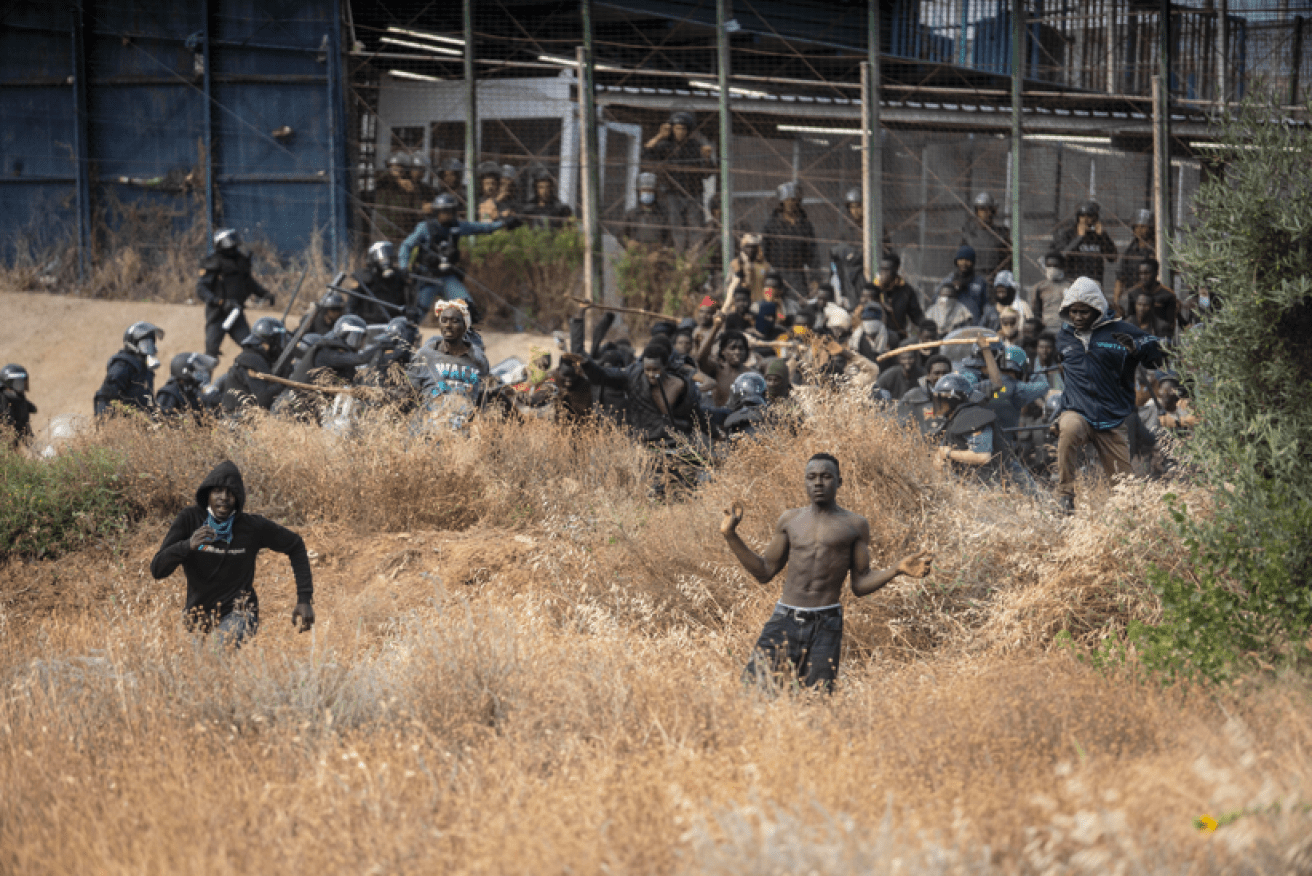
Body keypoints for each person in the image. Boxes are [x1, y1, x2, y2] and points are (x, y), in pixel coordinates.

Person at [722, 454, 933, 691]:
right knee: (754, 691)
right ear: (804, 482)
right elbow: (765, 571)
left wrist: (896, 570)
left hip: (826, 624)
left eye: (826, 477)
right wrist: (731, 535)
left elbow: (860, 584)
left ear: (839, 482)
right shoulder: (790, 520)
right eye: (811, 477)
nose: (818, 483)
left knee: (818, 699)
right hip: (785, 619)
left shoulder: (855, 525)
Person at [150, 460, 314, 647]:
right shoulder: (190, 519)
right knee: (199, 671)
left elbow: (295, 545)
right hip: (197, 617)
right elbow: (157, 570)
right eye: (217, 491)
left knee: (216, 652)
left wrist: (304, 598)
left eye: (231, 492)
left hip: (241, 613)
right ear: (207, 494)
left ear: (239, 497)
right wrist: (187, 545)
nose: (224, 498)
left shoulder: (252, 527)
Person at [1053, 277, 1167, 514]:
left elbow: (1159, 355)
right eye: (1072, 311)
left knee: (1127, 495)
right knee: (1069, 428)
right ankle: (1065, 497)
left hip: (1112, 420)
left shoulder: (1121, 331)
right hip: (1079, 413)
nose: (1077, 317)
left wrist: (1137, 350)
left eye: (1084, 311)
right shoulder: (1064, 337)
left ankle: (1128, 524)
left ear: (1097, 309)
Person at [400, 193, 514, 318]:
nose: (448, 214)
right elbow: (406, 246)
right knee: (417, 313)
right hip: (428, 277)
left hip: (448, 277)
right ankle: (407, 335)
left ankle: (464, 335)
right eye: (444, 211)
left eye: (451, 211)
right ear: (437, 212)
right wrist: (403, 266)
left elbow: (482, 228)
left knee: (466, 308)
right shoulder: (425, 228)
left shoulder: (458, 226)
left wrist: (504, 223)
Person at [580, 336, 703, 446]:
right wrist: (586, 364)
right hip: (645, 444)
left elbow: (695, 413)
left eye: (656, 370)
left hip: (677, 445)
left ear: (665, 366)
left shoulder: (681, 383)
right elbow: (602, 375)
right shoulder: (634, 376)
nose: (651, 374)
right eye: (647, 370)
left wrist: (713, 432)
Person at [641, 111, 714, 252]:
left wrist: (706, 158)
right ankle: (680, 258)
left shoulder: (695, 146)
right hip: (673, 192)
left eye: (683, 129)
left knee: (696, 227)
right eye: (677, 128)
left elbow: (707, 174)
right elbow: (646, 154)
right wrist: (659, 136)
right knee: (677, 227)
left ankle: (694, 260)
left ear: (688, 131)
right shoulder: (665, 145)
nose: (680, 132)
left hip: (694, 192)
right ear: (672, 129)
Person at [196, 229, 275, 359]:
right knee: (211, 354)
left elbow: (248, 282)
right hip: (217, 315)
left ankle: (258, 373)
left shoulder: (240, 260)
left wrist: (264, 293)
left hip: (236, 313)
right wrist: (219, 301)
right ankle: (205, 379)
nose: (232, 244)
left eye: (233, 239)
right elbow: (201, 289)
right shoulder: (213, 262)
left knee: (251, 346)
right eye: (228, 240)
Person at [761, 182, 818, 304]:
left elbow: (812, 253)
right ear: (782, 202)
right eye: (788, 200)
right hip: (775, 272)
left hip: (797, 273)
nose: (791, 204)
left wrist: (814, 278)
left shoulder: (804, 225)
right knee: (772, 303)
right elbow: (764, 250)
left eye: (794, 200)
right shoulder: (772, 224)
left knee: (799, 303)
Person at [219, 317, 289, 414]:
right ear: (270, 342)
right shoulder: (252, 360)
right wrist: (284, 381)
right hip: (238, 421)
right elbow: (263, 400)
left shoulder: (252, 357)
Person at [94, 321, 163, 417]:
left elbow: (146, 398)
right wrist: (106, 422)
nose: (148, 347)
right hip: (122, 421)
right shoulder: (123, 364)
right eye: (145, 343)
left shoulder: (145, 368)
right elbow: (106, 396)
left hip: (139, 422)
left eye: (150, 343)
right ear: (133, 343)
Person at [1052, 201, 1117, 290]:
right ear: (1078, 217)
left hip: (1094, 283)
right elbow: (1061, 256)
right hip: (1072, 282)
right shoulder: (1069, 234)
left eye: (1089, 216)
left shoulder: (1099, 236)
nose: (1085, 220)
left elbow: (1113, 258)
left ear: (1095, 218)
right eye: (1082, 216)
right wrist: (1079, 237)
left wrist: (1103, 236)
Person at [347, 241, 414, 324]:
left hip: (393, 324)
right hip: (370, 324)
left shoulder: (399, 277)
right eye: (383, 259)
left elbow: (409, 302)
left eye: (389, 258)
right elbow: (351, 305)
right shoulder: (364, 277)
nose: (386, 262)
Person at [696, 314, 753, 407]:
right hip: (719, 418)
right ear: (723, 351)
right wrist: (715, 328)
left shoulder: (750, 374)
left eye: (741, 348)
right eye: (733, 348)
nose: (737, 352)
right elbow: (700, 358)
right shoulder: (717, 370)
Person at [868, 253, 925, 343]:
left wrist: (927, 327)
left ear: (896, 269)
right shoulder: (873, 288)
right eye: (881, 269)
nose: (883, 274)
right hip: (874, 338)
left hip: (898, 338)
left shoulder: (906, 290)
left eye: (887, 270)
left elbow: (917, 316)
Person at [372, 153, 429, 241]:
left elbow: (417, 210)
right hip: (384, 232)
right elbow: (379, 178)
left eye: (401, 167)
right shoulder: (384, 184)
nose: (398, 170)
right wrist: (397, 181)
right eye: (394, 167)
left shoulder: (411, 186)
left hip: (403, 233)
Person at [960, 192, 1011, 280]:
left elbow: (1009, 261)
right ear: (977, 212)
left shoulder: (1001, 233)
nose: (986, 213)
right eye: (982, 209)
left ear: (993, 211)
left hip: (996, 278)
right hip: (973, 278)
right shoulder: (969, 234)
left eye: (989, 209)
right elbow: (960, 260)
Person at [156, 352, 218, 420]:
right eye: (194, 370)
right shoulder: (169, 393)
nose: (198, 373)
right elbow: (161, 418)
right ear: (184, 371)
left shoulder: (190, 391)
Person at [620, 172, 673, 249]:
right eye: (644, 190)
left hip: (656, 254)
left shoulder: (662, 215)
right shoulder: (631, 214)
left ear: (655, 193)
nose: (647, 193)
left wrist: (663, 248)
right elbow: (621, 234)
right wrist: (628, 244)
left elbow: (669, 237)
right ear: (639, 192)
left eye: (650, 191)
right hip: (636, 253)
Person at [1114, 209, 1155, 306]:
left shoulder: (1156, 250)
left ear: (1150, 228)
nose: (1139, 230)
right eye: (1137, 227)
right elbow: (1120, 277)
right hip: (1133, 297)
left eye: (1143, 227)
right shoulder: (1130, 251)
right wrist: (1116, 301)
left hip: (1152, 296)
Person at [1124, 259, 1178, 331]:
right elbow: (1130, 317)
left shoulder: (1168, 295)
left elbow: (1171, 323)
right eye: (1141, 273)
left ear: (1156, 273)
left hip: (1160, 334)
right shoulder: (1133, 293)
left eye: (1146, 273)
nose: (1143, 277)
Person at [940, 245, 989, 323]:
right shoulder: (948, 281)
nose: (964, 263)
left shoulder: (980, 282)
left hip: (973, 327)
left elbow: (986, 307)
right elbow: (937, 302)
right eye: (961, 259)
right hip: (952, 327)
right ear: (956, 261)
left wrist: (981, 324)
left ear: (973, 262)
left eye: (967, 260)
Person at [1030, 250, 1072, 334]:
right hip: (1046, 329)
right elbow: (1036, 311)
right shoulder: (1039, 287)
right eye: (1049, 266)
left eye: (1056, 266)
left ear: (1062, 267)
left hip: (1066, 330)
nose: (1052, 268)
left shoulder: (1071, 286)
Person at [0, 363, 36, 448]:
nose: (22, 386)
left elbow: (33, 408)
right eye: (19, 383)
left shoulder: (19, 399)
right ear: (9, 384)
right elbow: (8, 424)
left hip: (21, 442)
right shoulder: (2, 400)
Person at [729, 233, 770, 302]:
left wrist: (767, 301)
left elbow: (768, 286)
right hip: (741, 304)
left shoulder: (764, 265)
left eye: (753, 247)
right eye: (748, 247)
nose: (751, 250)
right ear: (743, 247)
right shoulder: (736, 264)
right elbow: (730, 285)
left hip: (759, 303)